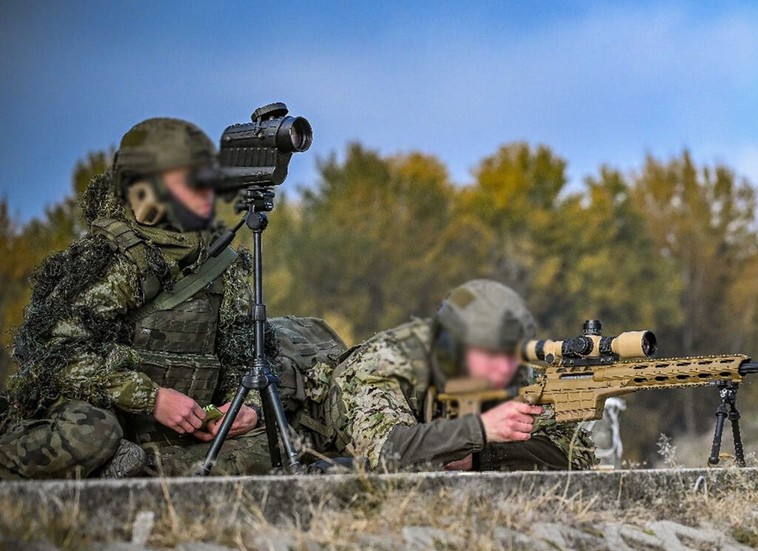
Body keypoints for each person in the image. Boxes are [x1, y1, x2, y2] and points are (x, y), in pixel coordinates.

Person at [0, 117, 271, 479]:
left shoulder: (221, 263)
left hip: (178, 434)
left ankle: (147, 471)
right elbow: (55, 355)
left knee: (277, 438)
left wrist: (245, 408)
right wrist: (152, 398)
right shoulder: (109, 259)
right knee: (93, 434)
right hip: (105, 419)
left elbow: (246, 356)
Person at [313, 279, 594, 472]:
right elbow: (387, 451)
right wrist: (480, 430)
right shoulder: (381, 363)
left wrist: (480, 457)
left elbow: (576, 451)